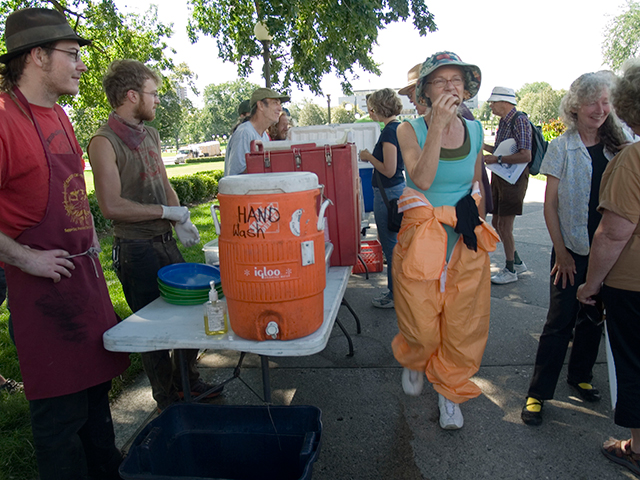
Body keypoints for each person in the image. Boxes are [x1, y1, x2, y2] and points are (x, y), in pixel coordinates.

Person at [0, 8, 129, 478]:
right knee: (60, 422)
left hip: (84, 285)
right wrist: (24, 258)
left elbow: (69, 187)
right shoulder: (2, 120)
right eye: (71, 55)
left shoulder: (59, 114)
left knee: (97, 411)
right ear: (36, 56)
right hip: (43, 298)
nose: (81, 64)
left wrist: (90, 232)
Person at [88, 59, 221, 412]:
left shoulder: (150, 134)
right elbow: (111, 206)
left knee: (192, 313)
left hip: (165, 242)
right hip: (135, 249)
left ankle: (187, 382)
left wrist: (180, 217)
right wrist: (165, 213)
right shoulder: (103, 141)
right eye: (153, 93)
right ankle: (168, 401)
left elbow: (163, 181)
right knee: (154, 333)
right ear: (132, 95)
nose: (158, 100)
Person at [392, 51, 499, 430]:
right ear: (425, 91)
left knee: (461, 324)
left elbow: (476, 182)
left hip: (463, 239)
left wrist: (479, 225)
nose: (451, 86)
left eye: (457, 79)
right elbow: (421, 179)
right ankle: (416, 358)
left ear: (466, 88)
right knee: (420, 324)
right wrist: (437, 123)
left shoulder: (477, 130)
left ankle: (449, 393)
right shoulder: (408, 130)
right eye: (441, 80)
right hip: (421, 238)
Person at [522, 71, 629, 426]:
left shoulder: (621, 144)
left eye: (606, 102)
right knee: (559, 321)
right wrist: (562, 252)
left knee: (594, 317)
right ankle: (537, 393)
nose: (601, 109)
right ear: (576, 106)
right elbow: (549, 204)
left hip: (612, 254)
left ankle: (580, 374)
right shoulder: (562, 146)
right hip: (570, 250)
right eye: (593, 102)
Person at [576, 60, 640, 476]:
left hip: (632, 289)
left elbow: (613, 233)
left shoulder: (633, 159)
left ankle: (636, 450)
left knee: (634, 366)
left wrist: (590, 285)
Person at [359, 88, 406, 309]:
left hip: (388, 194)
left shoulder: (389, 132)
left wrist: (368, 157)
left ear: (379, 108)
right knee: (395, 246)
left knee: (391, 248)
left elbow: (389, 169)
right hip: (395, 191)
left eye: (371, 108)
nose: (370, 112)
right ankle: (399, 293)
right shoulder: (400, 128)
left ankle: (394, 296)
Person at [483, 87, 532, 284]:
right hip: (501, 176)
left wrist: (497, 158)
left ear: (504, 102)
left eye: (493, 102)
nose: (491, 106)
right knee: (497, 223)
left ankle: (510, 269)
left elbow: (525, 154)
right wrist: (483, 147)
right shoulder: (505, 121)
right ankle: (517, 262)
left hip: (513, 179)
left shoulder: (519, 120)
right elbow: (499, 149)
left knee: (504, 225)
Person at [224, 87, 289, 176]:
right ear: (261, 106)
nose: (280, 108)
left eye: (279, 104)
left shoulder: (264, 136)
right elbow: (234, 177)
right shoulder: (244, 133)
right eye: (275, 103)